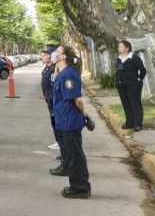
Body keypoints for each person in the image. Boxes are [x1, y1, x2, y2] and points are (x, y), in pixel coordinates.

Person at [52, 45, 91, 199]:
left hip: (70, 120)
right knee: (71, 154)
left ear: (63, 57)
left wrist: (85, 114)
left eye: (57, 52)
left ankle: (80, 188)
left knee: (75, 155)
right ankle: (77, 185)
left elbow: (78, 99)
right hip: (64, 119)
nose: (54, 54)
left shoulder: (68, 75)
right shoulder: (63, 73)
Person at [42, 45, 68, 176]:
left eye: (47, 54)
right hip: (52, 103)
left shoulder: (59, 72)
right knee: (57, 131)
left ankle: (66, 161)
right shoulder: (52, 69)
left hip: (57, 106)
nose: (44, 56)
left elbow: (58, 90)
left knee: (61, 133)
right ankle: (65, 158)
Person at [116, 40, 147, 131]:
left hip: (133, 85)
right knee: (126, 104)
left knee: (135, 104)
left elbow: (142, 70)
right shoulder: (119, 58)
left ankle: (138, 124)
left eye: (121, 46)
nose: (119, 48)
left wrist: (139, 79)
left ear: (127, 48)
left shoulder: (134, 58)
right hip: (122, 86)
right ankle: (129, 123)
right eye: (119, 46)